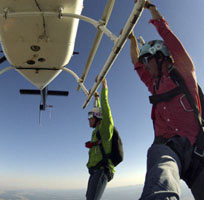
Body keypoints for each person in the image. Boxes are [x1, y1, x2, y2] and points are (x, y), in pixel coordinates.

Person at [129, 1, 204, 199]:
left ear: (160, 57)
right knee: (160, 172)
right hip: (168, 149)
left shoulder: (184, 73)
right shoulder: (153, 83)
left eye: (147, 60)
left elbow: (170, 38)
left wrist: (152, 10)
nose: (144, 66)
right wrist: (132, 41)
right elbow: (136, 65)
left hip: (198, 149)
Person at [85, 78, 114, 200]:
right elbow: (98, 111)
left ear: (97, 118)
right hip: (95, 170)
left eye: (90, 117)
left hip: (102, 170)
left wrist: (104, 87)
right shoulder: (96, 131)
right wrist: (96, 99)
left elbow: (105, 109)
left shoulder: (106, 128)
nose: (88, 119)